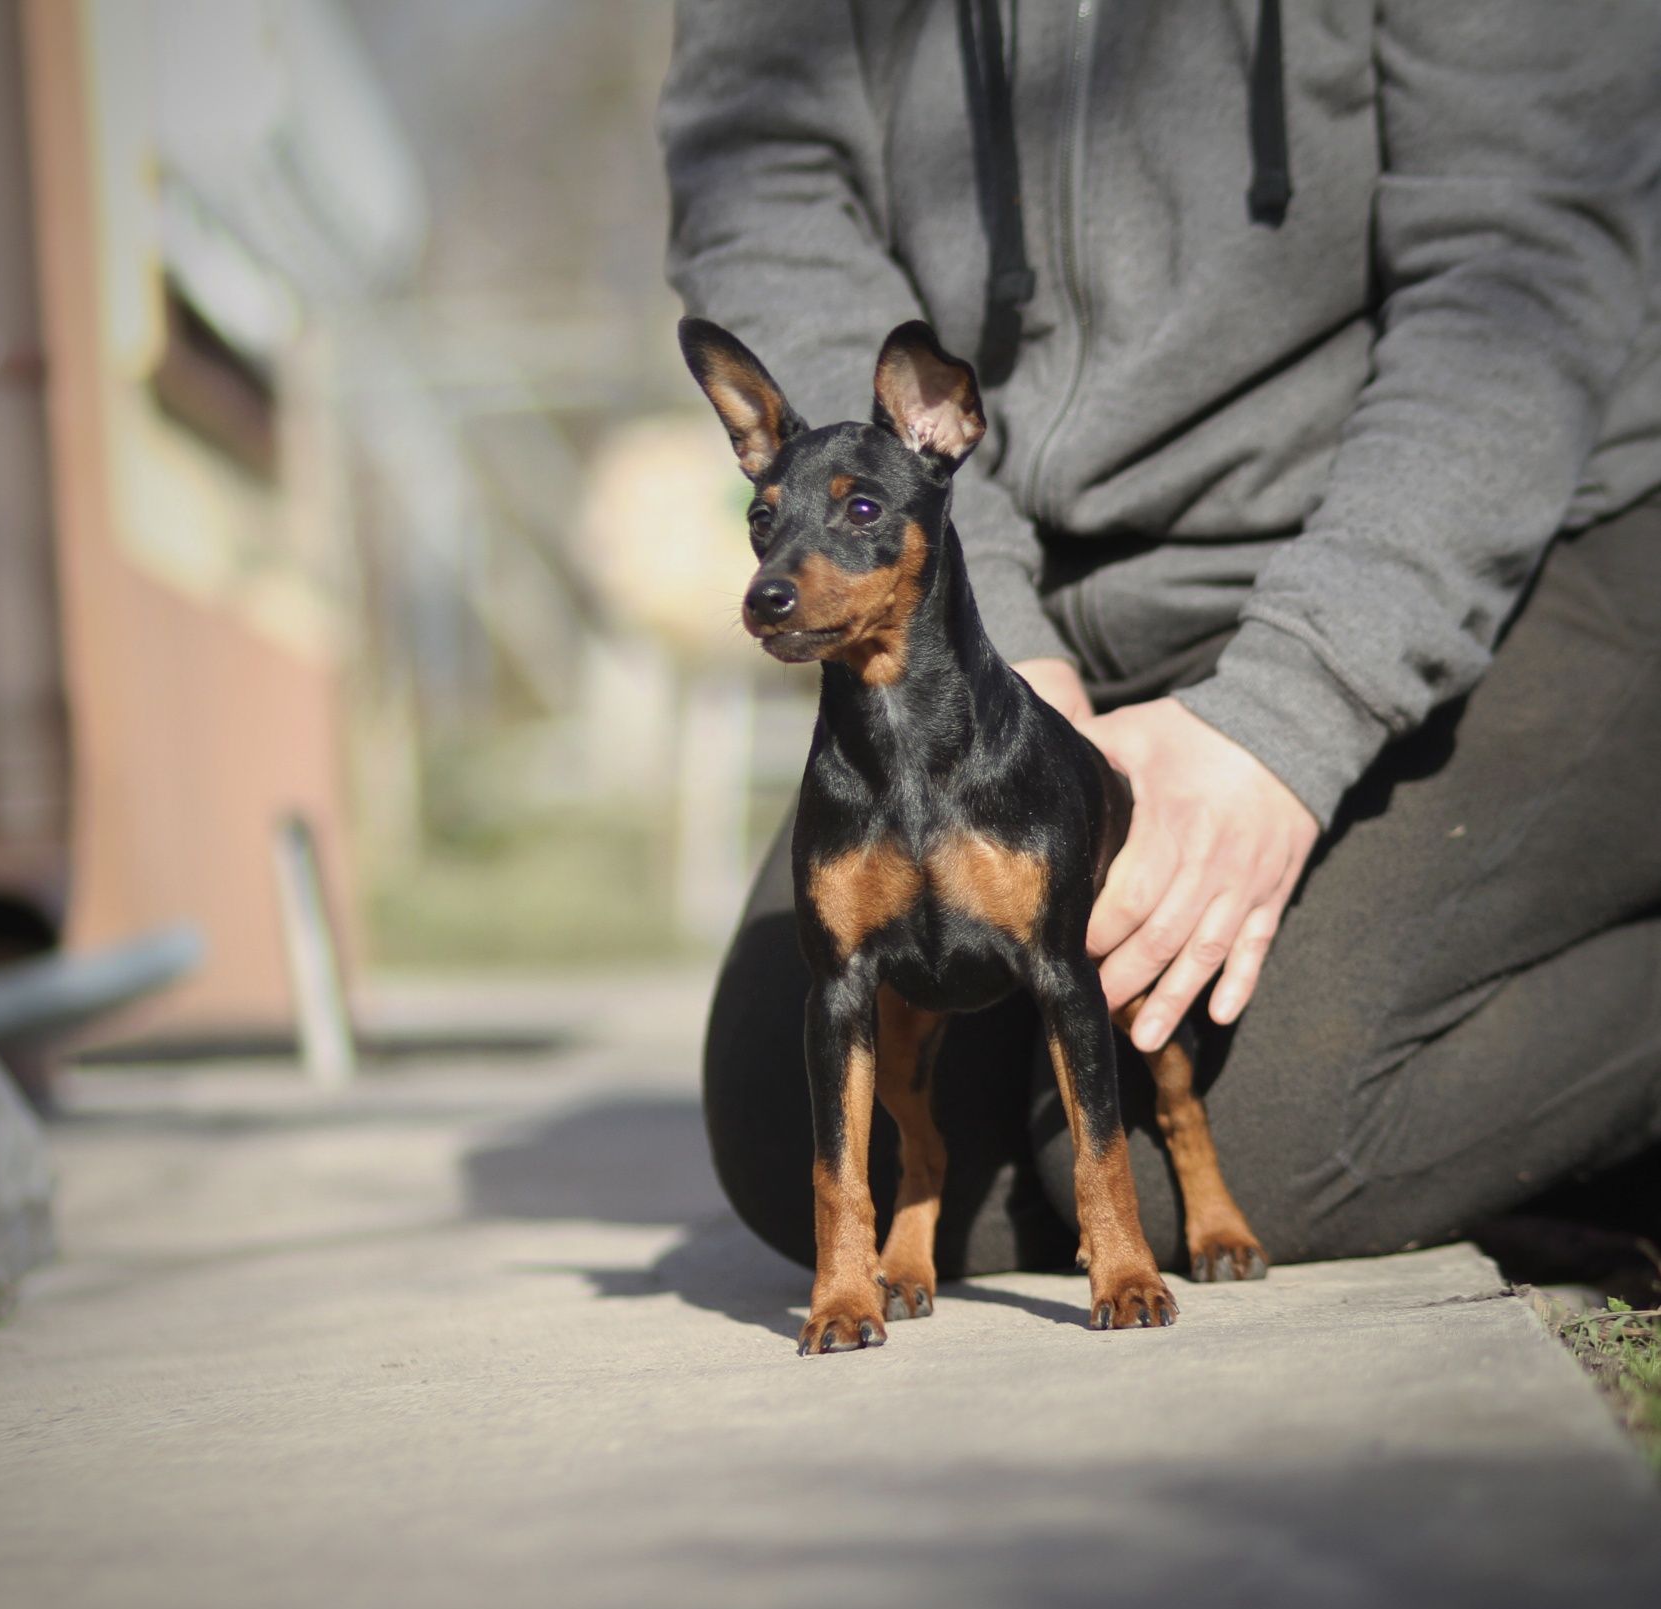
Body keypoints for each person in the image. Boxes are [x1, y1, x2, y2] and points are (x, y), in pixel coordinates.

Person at [659, 1, 1661, 1278]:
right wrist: (989, 655)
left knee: (1255, 1146)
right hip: (1024, 572)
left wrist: (1290, 710)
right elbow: (762, 179)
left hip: (1496, 524)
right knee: (787, 1123)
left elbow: (1526, 252)